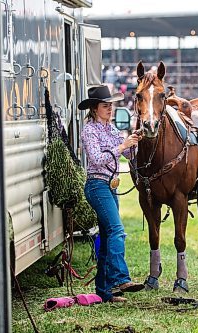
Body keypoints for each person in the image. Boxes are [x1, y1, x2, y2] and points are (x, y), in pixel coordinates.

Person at [79, 85, 144, 303]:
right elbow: (97, 159)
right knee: (117, 230)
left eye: (111, 105)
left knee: (107, 237)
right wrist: (122, 146)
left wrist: (135, 142)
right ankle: (120, 278)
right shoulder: (89, 130)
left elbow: (128, 152)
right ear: (95, 108)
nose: (110, 109)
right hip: (97, 185)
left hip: (109, 186)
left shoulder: (112, 129)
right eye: (105, 105)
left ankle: (105, 292)